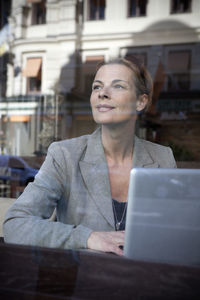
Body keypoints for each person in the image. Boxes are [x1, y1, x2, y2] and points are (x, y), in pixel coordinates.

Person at [3, 58, 176, 256]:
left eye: (118, 85)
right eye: (97, 87)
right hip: (84, 280)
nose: (102, 93)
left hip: (144, 279)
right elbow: (15, 225)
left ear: (140, 101)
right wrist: (87, 237)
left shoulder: (162, 158)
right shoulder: (65, 155)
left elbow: (174, 232)